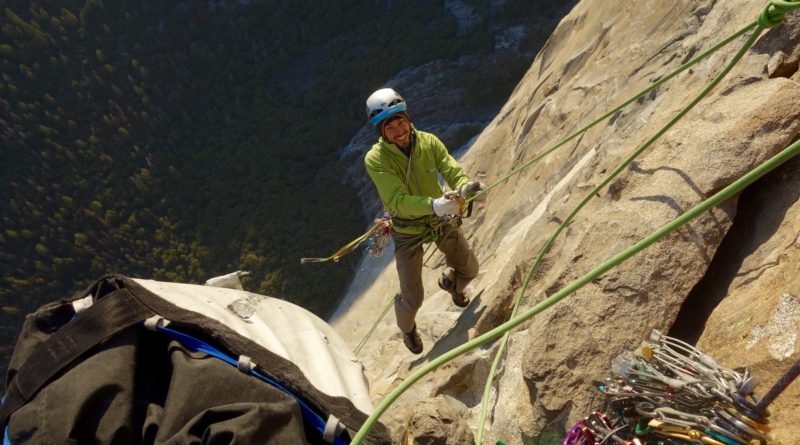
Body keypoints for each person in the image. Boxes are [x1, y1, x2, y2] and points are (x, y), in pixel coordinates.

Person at [363, 87, 486, 354]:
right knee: (413, 298)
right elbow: (397, 201)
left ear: (408, 118)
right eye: (390, 127)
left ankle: (453, 285)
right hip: (407, 230)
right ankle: (408, 329)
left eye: (400, 122)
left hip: (438, 220)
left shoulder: (428, 142)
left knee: (470, 269)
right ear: (381, 132)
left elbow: (450, 168)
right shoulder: (376, 159)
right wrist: (435, 205)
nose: (399, 131)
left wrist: (464, 187)